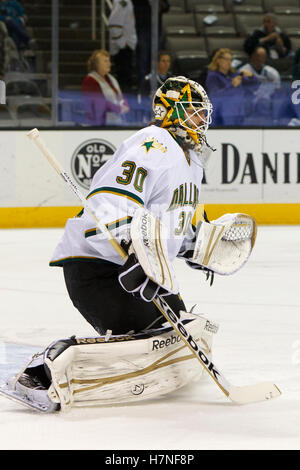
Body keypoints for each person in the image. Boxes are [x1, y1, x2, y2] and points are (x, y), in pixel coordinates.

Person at [3, 77, 257, 411]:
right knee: (156, 335)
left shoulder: (193, 160)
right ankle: (43, 370)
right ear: (167, 111)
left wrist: (194, 246)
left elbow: (168, 222)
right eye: (192, 111)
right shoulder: (153, 142)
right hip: (100, 267)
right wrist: (134, 247)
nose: (200, 120)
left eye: (201, 113)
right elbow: (109, 201)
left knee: (177, 334)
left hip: (147, 272)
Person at [205, 48, 259, 125]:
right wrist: (232, 85)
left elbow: (255, 85)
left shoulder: (234, 74)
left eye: (230, 60)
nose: (229, 62)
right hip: (222, 113)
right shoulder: (213, 76)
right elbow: (214, 95)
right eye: (226, 59)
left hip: (238, 110)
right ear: (218, 60)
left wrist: (251, 76)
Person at [81, 49, 129, 126]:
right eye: (105, 61)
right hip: (97, 124)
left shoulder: (111, 79)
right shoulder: (90, 81)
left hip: (114, 122)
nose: (109, 64)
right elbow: (99, 103)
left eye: (109, 61)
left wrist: (125, 105)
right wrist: (119, 109)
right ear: (97, 64)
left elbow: (120, 96)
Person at [238, 46, 281, 125]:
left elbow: (278, 89)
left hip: (266, 103)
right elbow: (238, 88)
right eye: (258, 56)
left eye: (263, 57)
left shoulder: (272, 72)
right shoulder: (243, 70)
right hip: (248, 101)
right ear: (252, 56)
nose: (260, 59)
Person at [108, 0, 137, 93]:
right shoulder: (123, 2)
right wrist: (123, 43)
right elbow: (113, 24)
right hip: (123, 49)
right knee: (123, 83)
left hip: (126, 47)